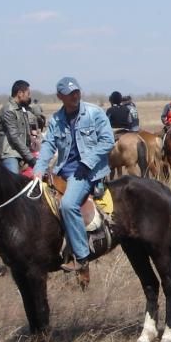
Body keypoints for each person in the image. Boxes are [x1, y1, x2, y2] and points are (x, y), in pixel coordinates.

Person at [33, 76, 115, 272]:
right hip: (62, 172)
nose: (75, 96)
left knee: (68, 204)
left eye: (77, 91)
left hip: (87, 172)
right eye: (70, 94)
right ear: (60, 96)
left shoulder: (94, 113)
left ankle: (81, 256)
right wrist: (38, 170)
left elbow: (108, 141)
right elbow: (48, 145)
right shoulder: (57, 120)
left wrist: (87, 161)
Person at [0, 80, 39, 174]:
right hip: (10, 154)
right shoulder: (9, 110)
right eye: (28, 93)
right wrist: (31, 159)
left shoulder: (21, 109)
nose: (29, 96)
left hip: (21, 153)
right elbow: (15, 137)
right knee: (13, 185)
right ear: (20, 93)